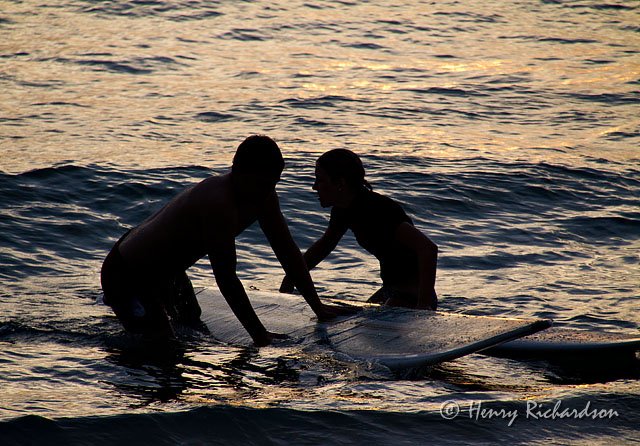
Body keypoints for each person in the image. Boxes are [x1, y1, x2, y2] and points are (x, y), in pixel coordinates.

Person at [101, 135, 354, 346]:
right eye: (262, 183)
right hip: (128, 272)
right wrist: (259, 335)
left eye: (273, 183)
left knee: (190, 323)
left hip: (169, 271)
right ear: (238, 172)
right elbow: (226, 277)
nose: (267, 191)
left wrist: (317, 307)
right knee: (161, 344)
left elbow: (286, 250)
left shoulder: (264, 194)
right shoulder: (218, 202)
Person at [280, 149, 438, 310]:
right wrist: (292, 277)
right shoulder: (343, 210)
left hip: (413, 295)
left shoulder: (377, 209)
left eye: (320, 180)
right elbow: (324, 246)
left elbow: (428, 249)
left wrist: (423, 306)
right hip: (390, 291)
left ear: (340, 183)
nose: (314, 187)